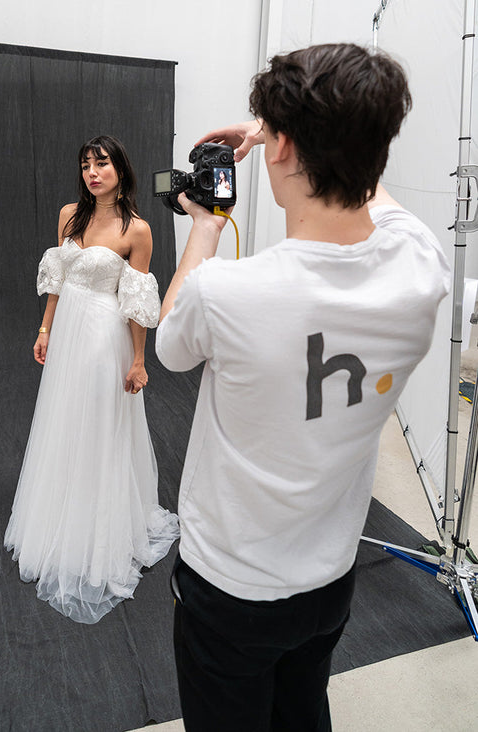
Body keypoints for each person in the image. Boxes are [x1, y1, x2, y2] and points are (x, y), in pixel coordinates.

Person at [155, 44, 450, 730]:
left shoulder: (227, 294)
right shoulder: (421, 266)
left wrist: (205, 226)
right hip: (330, 578)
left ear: (283, 147)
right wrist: (286, 132)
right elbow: (370, 184)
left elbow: (169, 344)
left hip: (230, 588)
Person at [5, 135, 179, 624]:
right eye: (86, 165)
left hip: (105, 335)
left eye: (101, 163)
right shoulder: (70, 216)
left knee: (100, 423)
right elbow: (58, 281)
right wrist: (45, 329)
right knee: (63, 418)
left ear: (120, 169)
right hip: (68, 333)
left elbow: (136, 300)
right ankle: (61, 509)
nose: (93, 172)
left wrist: (139, 360)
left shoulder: (137, 230)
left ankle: (100, 529)